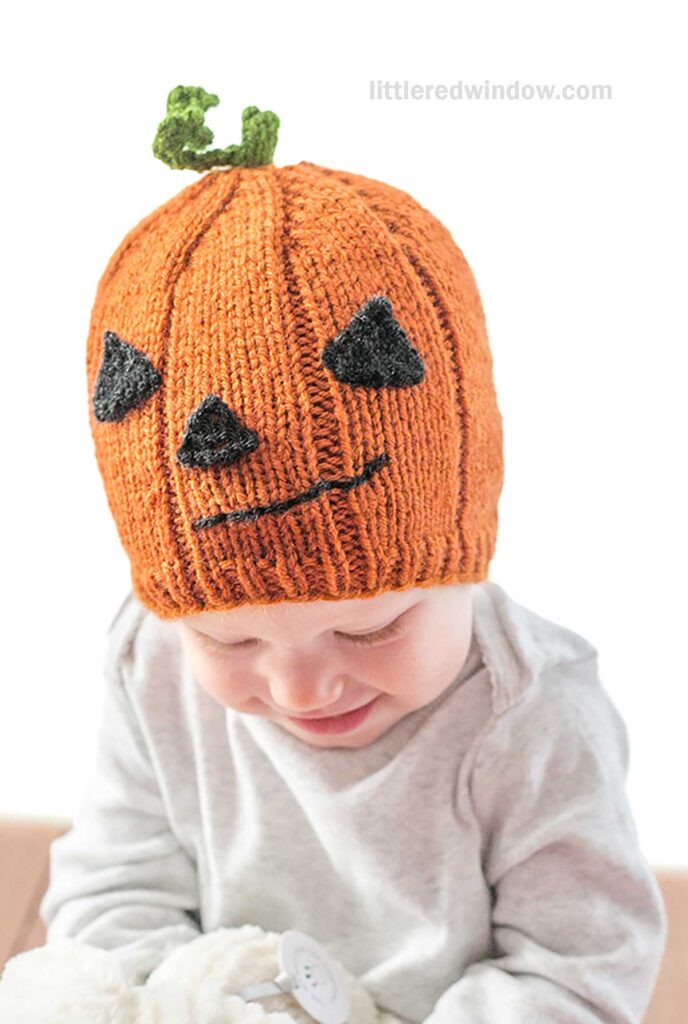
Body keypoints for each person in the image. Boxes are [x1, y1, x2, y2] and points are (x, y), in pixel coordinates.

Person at [39, 86, 667, 1022]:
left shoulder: (535, 714)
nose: (298, 691)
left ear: (466, 559)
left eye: (368, 626)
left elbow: (580, 969)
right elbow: (109, 895)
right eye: (231, 640)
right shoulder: (153, 656)